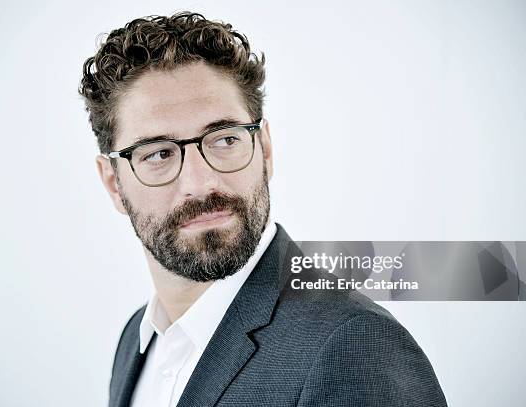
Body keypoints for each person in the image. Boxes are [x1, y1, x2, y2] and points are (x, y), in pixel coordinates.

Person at [79, 11, 448, 407]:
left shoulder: (356, 347)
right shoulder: (137, 340)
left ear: (265, 149)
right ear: (114, 183)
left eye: (224, 140)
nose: (201, 183)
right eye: (158, 154)